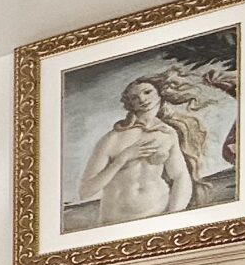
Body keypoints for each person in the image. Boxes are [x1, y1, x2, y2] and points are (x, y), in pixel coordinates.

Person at [74, 76, 209, 228]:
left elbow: (180, 176)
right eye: (134, 97)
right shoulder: (113, 138)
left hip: (159, 213)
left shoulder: (167, 133)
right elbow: (85, 191)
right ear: (130, 103)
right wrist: (123, 158)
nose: (142, 99)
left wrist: (173, 215)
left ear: (160, 94)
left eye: (147, 92)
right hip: (117, 222)